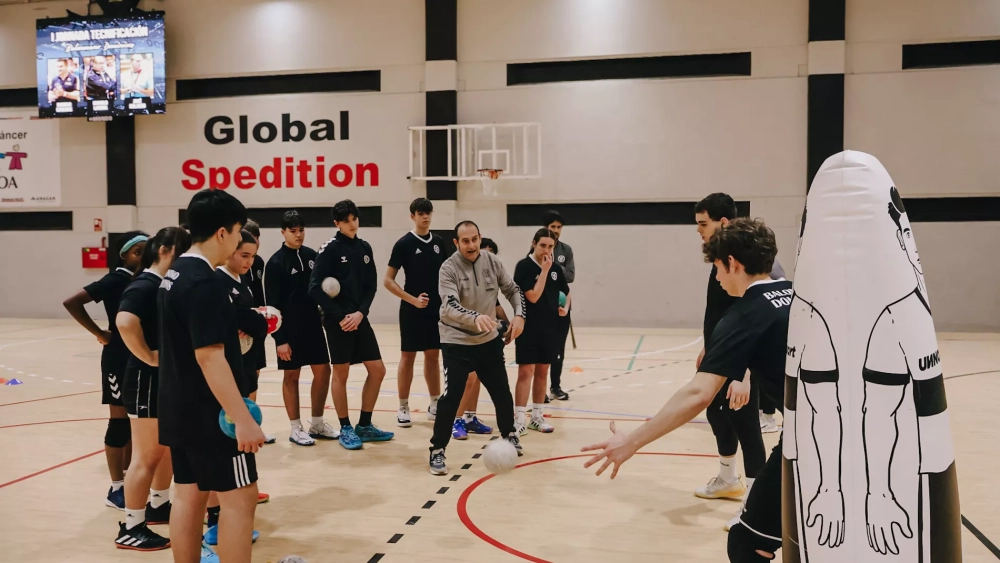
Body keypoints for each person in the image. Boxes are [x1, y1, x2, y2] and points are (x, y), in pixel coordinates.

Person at [582, 217, 792, 562]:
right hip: (845, 432)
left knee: (746, 543)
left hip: (808, 443)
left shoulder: (745, 315)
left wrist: (631, 442)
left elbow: (698, 393)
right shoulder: (797, 293)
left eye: (717, 267)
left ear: (732, 263)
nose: (717, 277)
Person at [158, 189, 265, 563]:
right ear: (223, 232)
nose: (238, 241)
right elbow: (210, 357)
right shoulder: (206, 282)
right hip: (212, 417)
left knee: (189, 495)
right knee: (241, 498)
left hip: (180, 409)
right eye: (237, 233)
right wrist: (242, 419)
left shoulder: (175, 273)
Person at [693, 193, 785, 530]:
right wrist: (710, 346)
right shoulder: (722, 259)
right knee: (717, 415)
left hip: (742, 364)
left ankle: (754, 506)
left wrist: (742, 375)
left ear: (723, 222)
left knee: (745, 424)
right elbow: (722, 311)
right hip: (725, 354)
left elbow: (756, 318)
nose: (699, 231)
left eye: (703, 224)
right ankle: (728, 479)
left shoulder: (750, 268)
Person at [428, 221, 526, 475]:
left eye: (475, 239)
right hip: (456, 341)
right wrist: (475, 317)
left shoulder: (492, 262)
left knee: (501, 392)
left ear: (480, 238)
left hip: (488, 340)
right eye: (465, 241)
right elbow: (449, 305)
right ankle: (437, 449)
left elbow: (513, 290)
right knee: (451, 398)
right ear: (456, 243)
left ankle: (509, 434)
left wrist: (519, 315)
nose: (471, 245)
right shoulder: (448, 268)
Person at [114, 227, 189, 551]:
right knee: (145, 457)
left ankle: (158, 504)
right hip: (145, 381)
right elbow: (124, 322)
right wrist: (148, 356)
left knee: (165, 448)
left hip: (163, 380)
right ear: (163, 250)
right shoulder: (144, 284)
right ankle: (131, 526)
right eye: (181, 251)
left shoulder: (163, 284)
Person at [63, 230, 148, 510]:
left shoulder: (144, 280)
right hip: (117, 358)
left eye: (145, 252)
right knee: (119, 422)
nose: (142, 257)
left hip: (138, 355)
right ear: (123, 256)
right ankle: (116, 488)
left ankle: (129, 480)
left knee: (135, 422)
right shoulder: (116, 279)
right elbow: (72, 302)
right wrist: (99, 332)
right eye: (137, 252)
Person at [308, 200, 394, 450]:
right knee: (341, 373)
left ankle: (364, 425)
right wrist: (339, 316)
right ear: (337, 223)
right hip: (338, 322)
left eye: (354, 218)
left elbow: (371, 286)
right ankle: (345, 427)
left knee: (377, 370)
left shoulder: (364, 248)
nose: (352, 224)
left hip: (358, 318)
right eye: (346, 221)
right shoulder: (329, 249)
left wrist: (360, 313)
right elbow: (314, 288)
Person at [206, 229, 271, 546]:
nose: (249, 261)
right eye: (244, 255)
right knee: (222, 452)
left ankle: (224, 514)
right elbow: (240, 322)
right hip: (226, 378)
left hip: (242, 369)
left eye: (253, 256)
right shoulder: (217, 282)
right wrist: (256, 321)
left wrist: (257, 321)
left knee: (229, 453)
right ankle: (215, 522)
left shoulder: (240, 281)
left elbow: (252, 323)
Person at [263, 211, 336, 446]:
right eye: (293, 231)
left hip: (313, 326)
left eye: (301, 230)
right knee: (291, 376)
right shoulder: (275, 263)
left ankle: (317, 423)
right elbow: (272, 306)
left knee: (323, 371)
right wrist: (280, 340)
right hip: (289, 330)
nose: (298, 235)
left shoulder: (312, 256)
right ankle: (295, 428)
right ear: (283, 232)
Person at [384, 198, 445, 427]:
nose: (425, 217)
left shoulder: (439, 242)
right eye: (421, 213)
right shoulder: (404, 244)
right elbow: (388, 281)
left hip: (436, 310)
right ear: (413, 216)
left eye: (428, 212)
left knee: (433, 355)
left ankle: (435, 403)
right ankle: (403, 406)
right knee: (408, 357)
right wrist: (412, 300)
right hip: (411, 310)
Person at [513, 228, 570, 434]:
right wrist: (544, 271)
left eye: (550, 246)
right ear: (534, 243)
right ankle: (519, 420)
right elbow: (533, 297)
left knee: (543, 372)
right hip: (528, 328)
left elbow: (566, 291)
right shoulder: (524, 267)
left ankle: (536, 417)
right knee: (526, 372)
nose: (546, 250)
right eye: (543, 245)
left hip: (550, 328)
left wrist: (565, 308)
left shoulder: (555, 269)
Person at [450, 238, 503, 440]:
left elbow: (496, 305)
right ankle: (456, 420)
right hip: (462, 335)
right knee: (468, 378)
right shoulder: (459, 273)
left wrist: (510, 323)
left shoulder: (489, 281)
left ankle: (470, 417)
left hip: (484, 336)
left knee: (478, 376)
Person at [240, 219, 274, 444]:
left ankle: (254, 425)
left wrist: (265, 318)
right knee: (240, 377)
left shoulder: (258, 262)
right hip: (240, 329)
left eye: (258, 237)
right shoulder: (231, 265)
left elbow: (259, 294)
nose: (256, 242)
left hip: (256, 327)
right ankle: (238, 424)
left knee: (255, 375)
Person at [541, 211, 575, 401]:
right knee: (542, 348)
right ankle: (540, 390)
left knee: (558, 349)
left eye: (558, 227)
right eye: (552, 226)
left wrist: (553, 267)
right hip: (542, 306)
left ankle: (555, 387)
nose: (555, 230)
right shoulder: (537, 249)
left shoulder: (566, 250)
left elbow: (570, 276)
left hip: (562, 305)